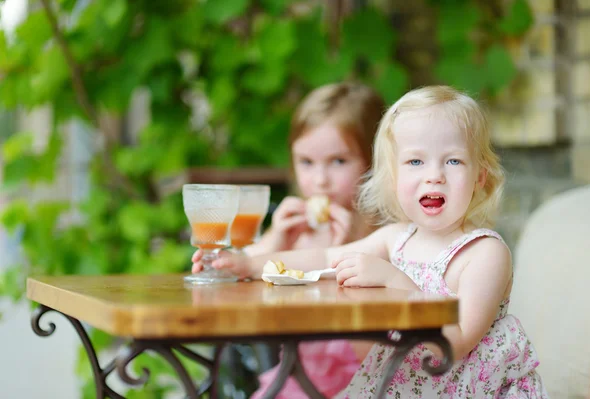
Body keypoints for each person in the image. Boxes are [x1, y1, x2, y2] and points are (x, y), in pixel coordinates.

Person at [193, 85, 549, 398]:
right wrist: (249, 264)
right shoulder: (397, 238)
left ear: (479, 178)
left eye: (453, 161)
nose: (434, 176)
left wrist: (396, 282)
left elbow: (453, 346)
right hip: (400, 385)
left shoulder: (485, 253)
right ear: (393, 178)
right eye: (415, 161)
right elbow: (326, 257)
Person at [192, 82, 386, 398]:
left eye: (338, 161)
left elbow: (382, 330)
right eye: (306, 163)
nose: (320, 179)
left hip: (366, 381)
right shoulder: (295, 232)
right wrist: (275, 240)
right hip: (296, 377)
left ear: (374, 160)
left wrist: (346, 247)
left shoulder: (383, 232)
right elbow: (242, 269)